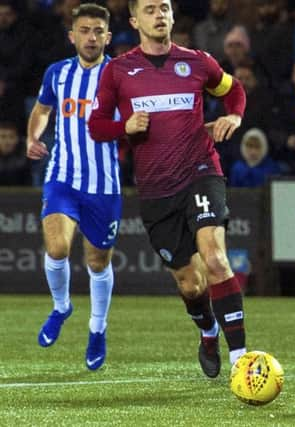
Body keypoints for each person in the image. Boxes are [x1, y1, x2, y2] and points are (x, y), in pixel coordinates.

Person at [88, 0, 247, 378]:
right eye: (149, 9)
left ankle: (242, 358)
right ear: (134, 20)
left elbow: (233, 89)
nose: (159, 15)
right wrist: (123, 128)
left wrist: (233, 116)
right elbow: (96, 126)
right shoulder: (117, 71)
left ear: (173, 16)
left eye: (164, 8)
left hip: (201, 171)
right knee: (190, 284)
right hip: (156, 190)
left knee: (215, 259)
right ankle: (208, 332)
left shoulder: (198, 61)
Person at [26, 3, 120, 371]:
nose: (91, 37)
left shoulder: (120, 74)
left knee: (97, 261)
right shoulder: (57, 73)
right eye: (84, 30)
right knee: (57, 245)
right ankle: (62, 306)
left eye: (98, 31)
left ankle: (97, 328)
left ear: (108, 37)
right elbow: (42, 109)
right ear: (72, 36)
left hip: (105, 182)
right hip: (62, 175)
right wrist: (33, 137)